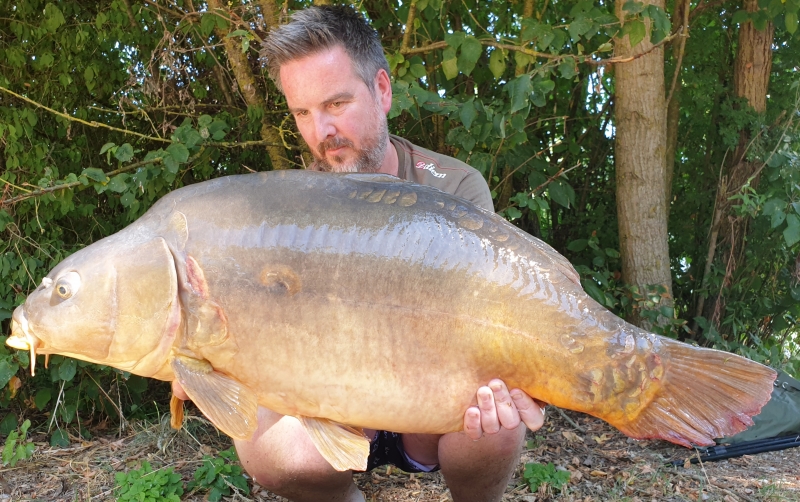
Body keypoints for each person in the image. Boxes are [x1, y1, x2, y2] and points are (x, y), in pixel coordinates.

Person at [173, 6, 547, 501]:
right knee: (262, 446)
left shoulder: (455, 187)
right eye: (302, 113)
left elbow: (488, 321)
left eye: (337, 103)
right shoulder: (284, 211)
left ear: (383, 91)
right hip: (333, 408)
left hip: (431, 408)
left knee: (497, 422)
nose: (320, 130)